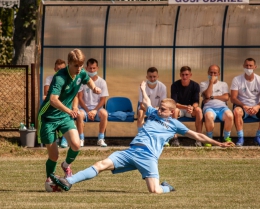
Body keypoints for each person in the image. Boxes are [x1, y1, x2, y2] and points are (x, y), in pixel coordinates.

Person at [49, 81, 234, 194]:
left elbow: (198, 135)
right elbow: (146, 102)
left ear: (171, 112)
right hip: (132, 151)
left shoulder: (175, 124)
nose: (159, 109)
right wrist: (143, 89)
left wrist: (218, 143)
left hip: (148, 157)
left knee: (154, 191)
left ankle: (167, 187)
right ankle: (68, 182)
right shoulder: (154, 113)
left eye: (163, 109)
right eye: (159, 107)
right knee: (101, 164)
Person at [38, 49, 102, 192]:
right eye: (76, 66)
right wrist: (69, 110)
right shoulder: (60, 77)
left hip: (64, 116)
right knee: (54, 155)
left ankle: (66, 166)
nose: (79, 69)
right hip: (48, 118)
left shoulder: (81, 73)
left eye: (81, 65)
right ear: (69, 63)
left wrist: (94, 87)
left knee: (76, 144)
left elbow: (88, 80)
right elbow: (53, 100)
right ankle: (50, 179)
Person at [76, 58, 109, 147]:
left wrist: (94, 110)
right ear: (86, 68)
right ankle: (81, 139)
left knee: (105, 114)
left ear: (97, 68)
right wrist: (87, 111)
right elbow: (80, 98)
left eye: (94, 68)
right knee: (79, 115)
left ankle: (101, 139)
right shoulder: (82, 81)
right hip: (84, 108)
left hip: (97, 109)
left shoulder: (102, 82)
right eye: (90, 68)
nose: (92, 70)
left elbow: (103, 100)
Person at [200, 65, 233, 147]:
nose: (213, 75)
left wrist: (213, 97)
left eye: (215, 73)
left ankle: (227, 137)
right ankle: (209, 138)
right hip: (209, 108)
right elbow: (207, 95)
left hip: (222, 108)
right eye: (211, 72)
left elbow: (226, 97)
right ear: (208, 73)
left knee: (230, 116)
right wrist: (211, 82)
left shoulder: (223, 84)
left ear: (219, 74)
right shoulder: (203, 84)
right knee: (208, 116)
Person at [230, 57, 260, 146]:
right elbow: (233, 98)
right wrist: (244, 106)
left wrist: (257, 106)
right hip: (242, 107)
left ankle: (258, 137)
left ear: (255, 67)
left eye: (251, 66)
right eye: (246, 65)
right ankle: (240, 138)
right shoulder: (237, 79)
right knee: (237, 111)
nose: (248, 68)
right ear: (243, 66)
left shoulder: (259, 80)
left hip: (255, 107)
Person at [171, 66, 203, 147]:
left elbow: (196, 101)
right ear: (180, 75)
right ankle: (175, 138)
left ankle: (198, 139)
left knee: (199, 110)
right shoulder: (175, 85)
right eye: (183, 74)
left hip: (190, 110)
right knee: (174, 110)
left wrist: (192, 107)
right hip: (180, 109)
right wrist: (186, 107)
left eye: (186, 74)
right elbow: (174, 103)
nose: (185, 76)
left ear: (190, 75)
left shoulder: (195, 85)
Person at [43, 59, 68, 148]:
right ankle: (53, 139)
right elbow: (46, 94)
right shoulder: (50, 79)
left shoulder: (69, 79)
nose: (60, 71)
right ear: (54, 69)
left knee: (66, 117)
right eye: (58, 69)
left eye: (62, 69)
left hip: (64, 106)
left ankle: (65, 139)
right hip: (53, 105)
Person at [137, 67, 167, 132]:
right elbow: (141, 104)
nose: (152, 79)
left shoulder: (162, 87)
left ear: (158, 76)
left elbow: (163, 104)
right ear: (147, 77)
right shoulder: (142, 86)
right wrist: (149, 111)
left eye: (154, 76)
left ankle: (161, 134)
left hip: (157, 109)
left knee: (164, 113)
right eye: (150, 77)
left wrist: (155, 111)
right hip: (145, 109)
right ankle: (140, 134)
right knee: (140, 112)